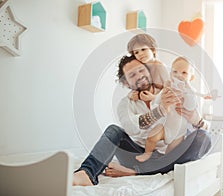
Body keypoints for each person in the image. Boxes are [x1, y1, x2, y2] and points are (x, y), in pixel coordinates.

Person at [72, 55, 212, 186]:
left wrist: (196, 119)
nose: (139, 76)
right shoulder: (125, 104)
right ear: (126, 82)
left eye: (141, 70)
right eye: (132, 75)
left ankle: (136, 172)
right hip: (136, 155)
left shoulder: (170, 91)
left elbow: (205, 129)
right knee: (113, 130)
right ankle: (87, 173)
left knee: (203, 137)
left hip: (167, 156)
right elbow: (132, 128)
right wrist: (161, 109)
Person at [136, 56, 208, 162]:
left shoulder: (190, 93)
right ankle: (147, 154)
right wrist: (162, 104)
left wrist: (188, 93)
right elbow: (155, 103)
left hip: (179, 132)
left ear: (191, 78)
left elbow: (190, 107)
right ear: (170, 74)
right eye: (175, 72)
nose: (179, 75)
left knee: (170, 156)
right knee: (152, 137)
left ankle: (165, 163)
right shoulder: (167, 90)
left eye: (184, 73)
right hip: (165, 127)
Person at [127, 33, 169, 102]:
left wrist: (154, 97)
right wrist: (131, 95)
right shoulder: (142, 69)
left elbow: (170, 89)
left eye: (143, 49)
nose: (140, 54)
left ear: (153, 50)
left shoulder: (160, 67)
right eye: (136, 52)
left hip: (164, 103)